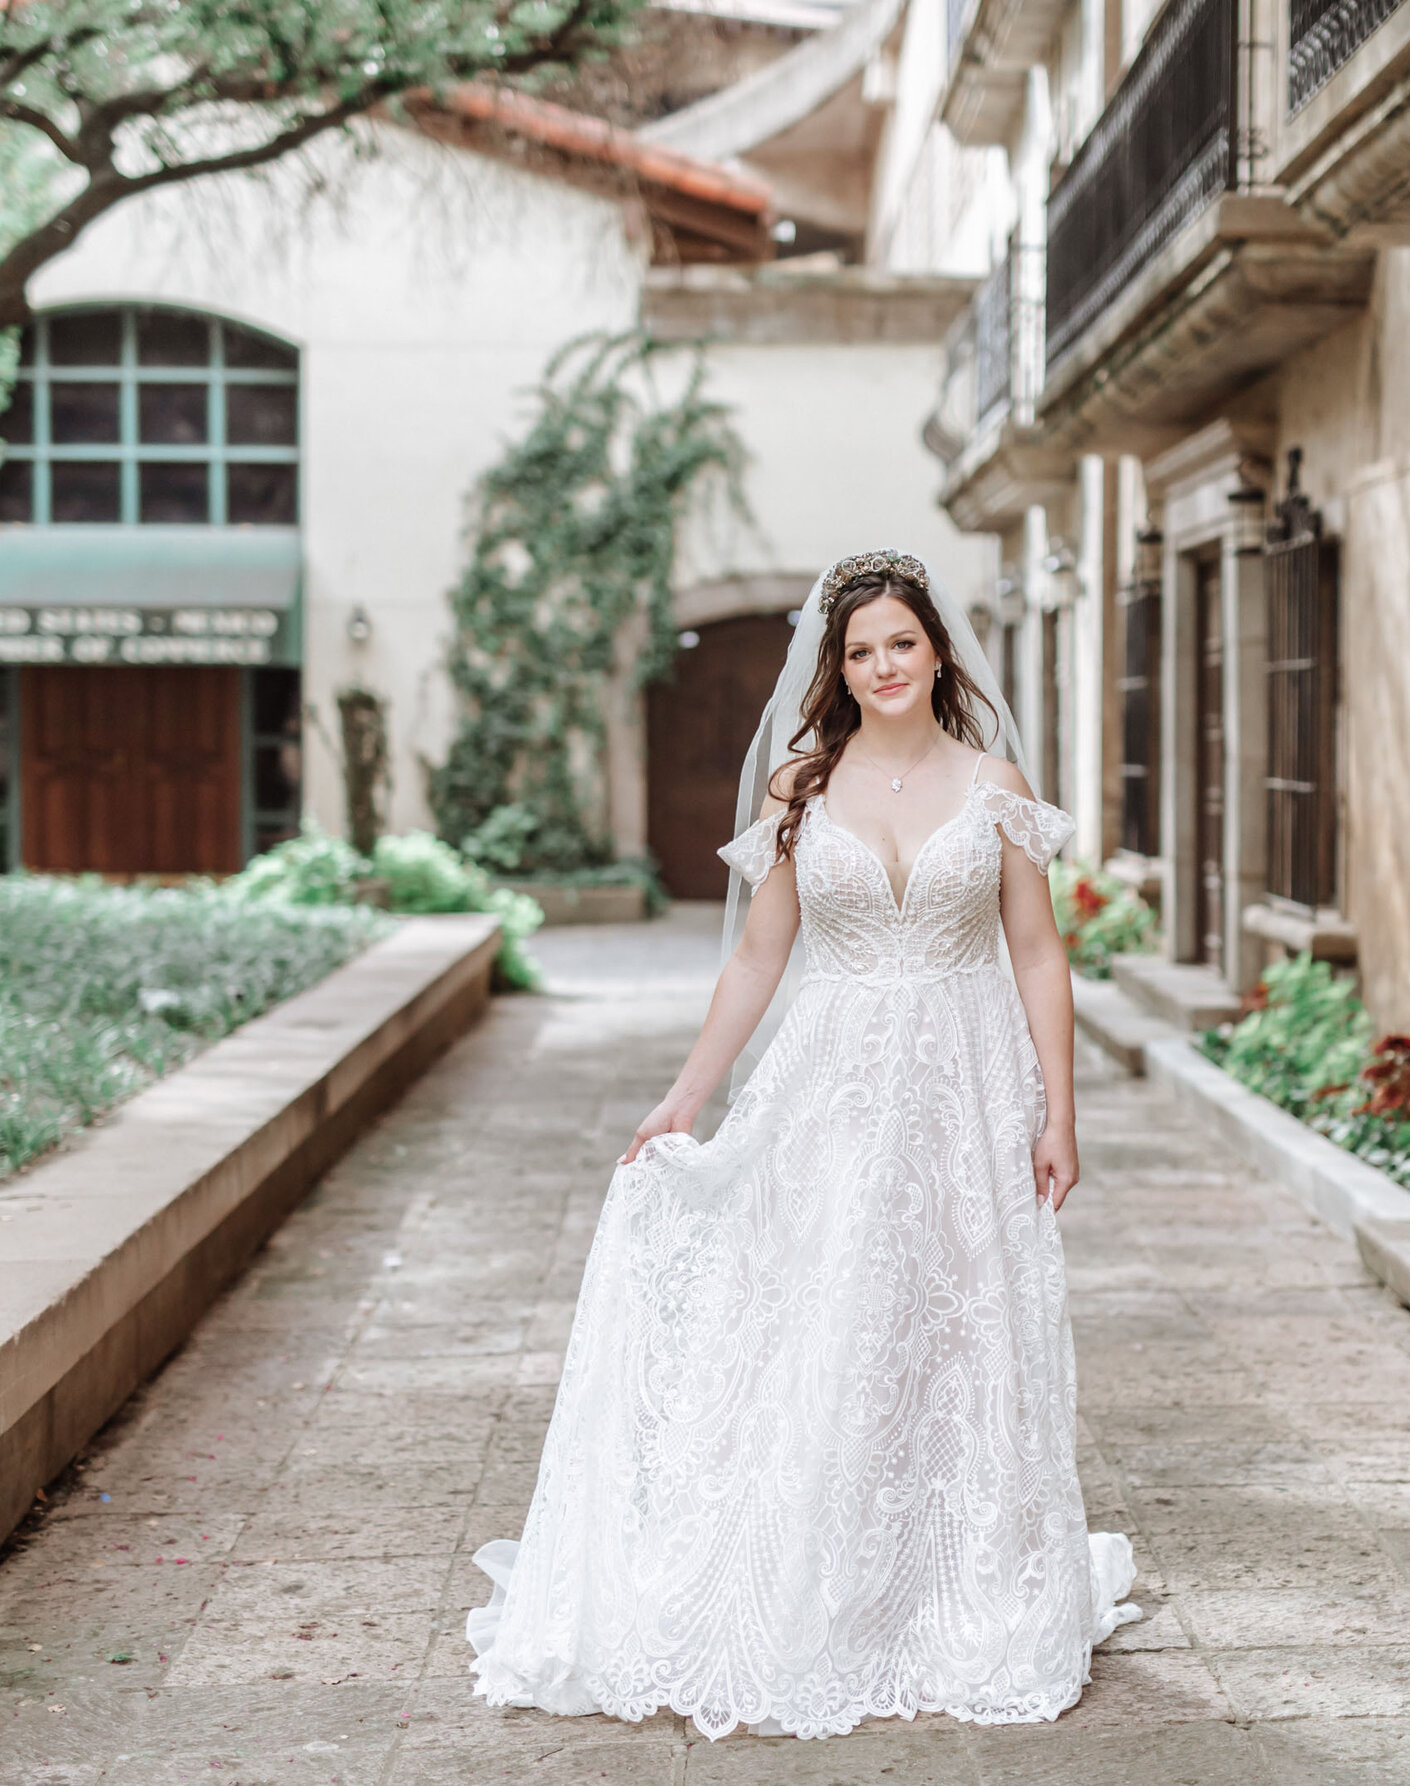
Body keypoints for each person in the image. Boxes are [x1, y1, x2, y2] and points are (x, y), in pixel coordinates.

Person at [465, 550, 1139, 1741]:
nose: (883, 666)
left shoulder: (995, 786)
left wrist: (1059, 1112)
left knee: (955, 1321)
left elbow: (1037, 951)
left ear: (938, 651)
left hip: (964, 1084)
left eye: (901, 643)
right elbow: (757, 957)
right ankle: (820, 1574)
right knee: (828, 1315)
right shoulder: (800, 786)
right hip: (828, 1085)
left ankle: (954, 1578)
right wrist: (685, 1096)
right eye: (860, 650)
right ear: (838, 667)